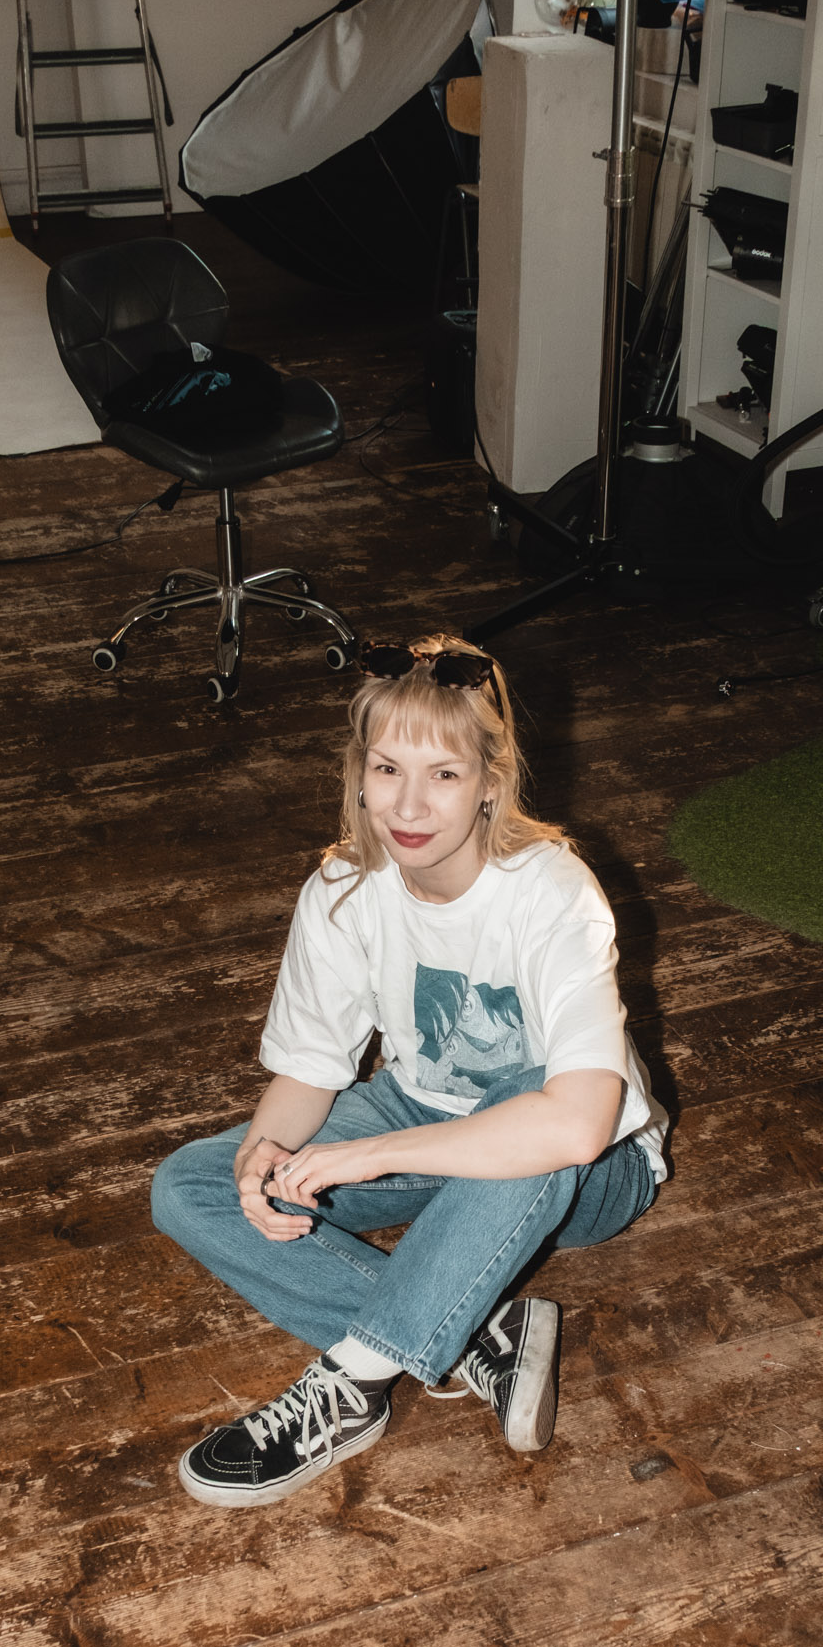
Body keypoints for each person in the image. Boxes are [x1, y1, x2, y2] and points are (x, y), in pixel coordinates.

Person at [150, 636, 668, 1508]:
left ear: (491, 782)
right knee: (191, 1185)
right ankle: (471, 1329)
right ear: (359, 771)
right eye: (388, 768)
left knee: (528, 1107)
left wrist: (366, 1157)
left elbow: (577, 1124)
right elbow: (310, 1071)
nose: (410, 804)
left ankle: (351, 1384)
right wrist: (262, 1153)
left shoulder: (551, 891)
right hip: (420, 1111)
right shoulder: (343, 887)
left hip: (595, 1173)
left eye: (445, 775)